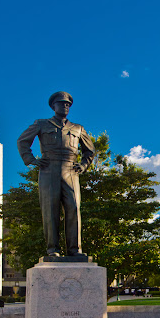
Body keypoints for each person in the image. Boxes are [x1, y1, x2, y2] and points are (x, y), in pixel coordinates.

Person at [17, 91, 95, 257]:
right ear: (53, 106)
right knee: (50, 210)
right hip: (49, 169)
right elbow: (22, 141)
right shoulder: (41, 124)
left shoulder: (78, 128)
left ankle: (75, 250)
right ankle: (53, 249)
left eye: (67, 104)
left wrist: (83, 165)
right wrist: (31, 159)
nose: (65, 106)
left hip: (71, 170)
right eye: (61, 103)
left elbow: (90, 151)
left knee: (74, 208)